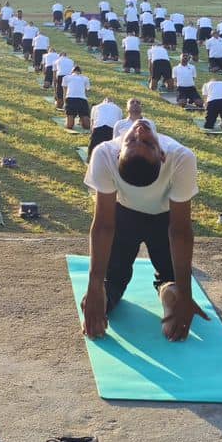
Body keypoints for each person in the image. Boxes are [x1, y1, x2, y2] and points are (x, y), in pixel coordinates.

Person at [80, 119, 205, 343]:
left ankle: (171, 295)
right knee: (109, 282)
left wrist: (186, 295)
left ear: (162, 155)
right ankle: (103, 304)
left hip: (165, 219)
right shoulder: (104, 154)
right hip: (124, 215)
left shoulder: (182, 157)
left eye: (148, 143)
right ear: (119, 154)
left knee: (173, 279)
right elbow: (103, 225)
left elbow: (180, 231)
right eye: (133, 140)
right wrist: (94, 287)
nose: (140, 131)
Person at [62, 65, 92, 131]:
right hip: (80, 100)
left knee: (69, 126)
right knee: (86, 126)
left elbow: (64, 92)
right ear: (80, 72)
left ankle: (80, 119)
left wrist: (65, 103)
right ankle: (80, 119)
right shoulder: (85, 78)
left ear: (72, 71)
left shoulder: (66, 77)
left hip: (71, 100)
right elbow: (88, 91)